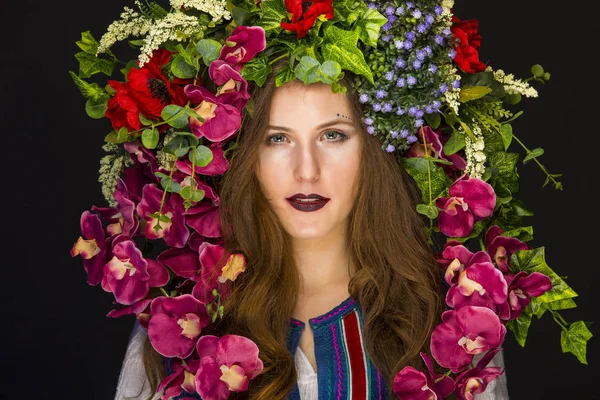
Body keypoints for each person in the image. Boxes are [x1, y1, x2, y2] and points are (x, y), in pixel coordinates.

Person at [113, 60, 509, 400]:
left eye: (333, 135)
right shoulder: (181, 323)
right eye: (277, 138)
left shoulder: (447, 317)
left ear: (375, 150)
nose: (306, 170)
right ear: (245, 155)